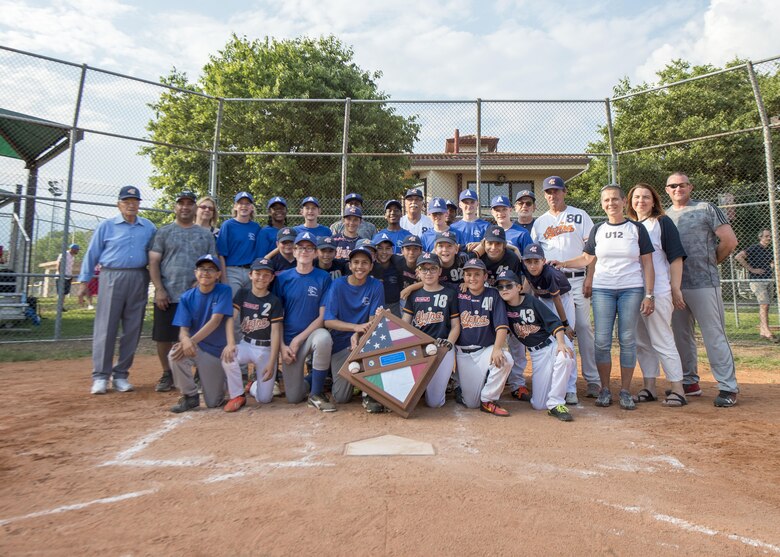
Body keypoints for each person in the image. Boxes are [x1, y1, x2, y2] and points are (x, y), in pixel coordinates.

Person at [555, 185, 655, 411]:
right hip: (603, 289)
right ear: (602, 204)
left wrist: (649, 294)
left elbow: (647, 263)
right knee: (601, 341)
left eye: (615, 199)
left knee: (627, 339)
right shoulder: (598, 229)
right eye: (607, 200)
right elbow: (586, 257)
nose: (611, 203)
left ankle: (626, 391)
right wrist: (563, 263)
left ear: (623, 202)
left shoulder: (636, 228)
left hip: (631, 288)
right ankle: (605, 389)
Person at [665, 171, 739, 407]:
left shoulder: (706, 208)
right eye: (673, 186)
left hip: (703, 283)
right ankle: (690, 382)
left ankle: (728, 387)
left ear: (690, 187)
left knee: (713, 335)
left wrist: (711, 263)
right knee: (681, 336)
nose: (678, 189)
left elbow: (729, 241)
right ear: (667, 190)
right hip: (675, 286)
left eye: (682, 185)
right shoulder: (664, 216)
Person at [78, 186, 156, 395]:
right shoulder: (107, 226)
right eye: (126, 201)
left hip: (139, 275)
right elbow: (92, 253)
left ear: (139, 204)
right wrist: (84, 281)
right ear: (118, 204)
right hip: (111, 275)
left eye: (135, 201)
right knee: (106, 327)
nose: (131, 204)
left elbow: (156, 254)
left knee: (132, 328)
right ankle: (100, 376)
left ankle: (121, 374)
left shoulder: (148, 227)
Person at [532, 176, 600, 398]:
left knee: (583, 329)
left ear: (565, 192)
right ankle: (561, 380)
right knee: (560, 331)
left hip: (578, 279)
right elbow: (536, 257)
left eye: (557, 191)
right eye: (549, 192)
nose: (553, 195)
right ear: (544, 195)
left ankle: (592, 379)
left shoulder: (580, 215)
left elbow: (592, 252)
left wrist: (590, 278)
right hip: (551, 285)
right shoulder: (540, 222)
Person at [626, 184, 688, 407]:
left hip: (658, 289)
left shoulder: (662, 222)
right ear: (630, 201)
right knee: (642, 341)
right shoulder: (630, 226)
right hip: (634, 290)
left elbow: (675, 257)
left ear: (654, 201)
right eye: (636, 197)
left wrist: (675, 288)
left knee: (661, 337)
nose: (640, 201)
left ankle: (678, 388)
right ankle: (649, 387)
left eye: (645, 197)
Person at [149, 190, 216, 393]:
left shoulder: (205, 234)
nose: (185, 206)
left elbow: (212, 262)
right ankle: (167, 373)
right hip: (168, 294)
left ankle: (198, 374)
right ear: (176, 207)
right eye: (181, 203)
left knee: (199, 336)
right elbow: (153, 261)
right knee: (164, 337)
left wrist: (202, 286)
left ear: (194, 207)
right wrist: (159, 289)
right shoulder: (164, 232)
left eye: (189, 203)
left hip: (196, 295)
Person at [496, 269, 576, 421]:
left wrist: (560, 343)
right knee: (539, 405)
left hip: (552, 344)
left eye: (508, 285)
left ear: (519, 287)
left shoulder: (531, 301)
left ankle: (557, 403)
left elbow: (554, 323)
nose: (504, 289)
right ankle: (554, 394)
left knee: (565, 357)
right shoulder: (502, 307)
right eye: (500, 287)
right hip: (537, 353)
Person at [168, 254, 239, 413]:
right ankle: (190, 395)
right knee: (175, 354)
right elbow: (183, 328)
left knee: (214, 402)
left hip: (215, 351)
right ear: (195, 272)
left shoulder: (224, 290)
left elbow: (215, 321)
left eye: (211, 269)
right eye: (202, 269)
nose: (205, 273)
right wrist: (185, 340)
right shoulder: (187, 297)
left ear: (218, 275)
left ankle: (221, 383)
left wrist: (190, 341)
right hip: (196, 347)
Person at [273, 232, 334, 411]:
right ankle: (311, 379)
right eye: (300, 247)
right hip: (289, 341)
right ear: (294, 251)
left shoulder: (323, 277)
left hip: (310, 335)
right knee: (293, 397)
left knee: (323, 338)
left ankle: (316, 393)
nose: (304, 251)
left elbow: (323, 317)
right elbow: (276, 318)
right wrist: (283, 346)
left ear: (315, 253)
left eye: (309, 248)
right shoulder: (283, 278)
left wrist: (299, 339)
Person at [324, 246, 386, 412]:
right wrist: (355, 328)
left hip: (364, 341)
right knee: (341, 397)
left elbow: (373, 321)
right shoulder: (337, 285)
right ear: (350, 265)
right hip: (341, 343)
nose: (360, 266)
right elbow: (328, 320)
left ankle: (369, 393)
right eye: (356, 262)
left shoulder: (376, 286)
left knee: (380, 336)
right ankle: (356, 379)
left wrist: (359, 335)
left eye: (365, 263)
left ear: (371, 266)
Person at [455, 258, 514, 416]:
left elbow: (502, 326)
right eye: (468, 275)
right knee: (471, 404)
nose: (472, 278)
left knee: (506, 358)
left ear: (485, 277)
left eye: (477, 274)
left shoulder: (493, 295)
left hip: (485, 351)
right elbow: (432, 285)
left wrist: (497, 349)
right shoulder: (457, 292)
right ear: (463, 277)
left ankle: (488, 399)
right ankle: (462, 388)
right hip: (463, 354)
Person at [519, 243, 577, 404]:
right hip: (543, 299)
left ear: (543, 261)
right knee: (549, 338)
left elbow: (556, 299)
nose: (532, 265)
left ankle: (571, 388)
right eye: (528, 261)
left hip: (562, 300)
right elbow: (528, 284)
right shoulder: (526, 268)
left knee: (566, 341)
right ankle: (555, 380)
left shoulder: (549, 274)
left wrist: (565, 324)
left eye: (536, 261)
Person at [223, 258, 283, 407]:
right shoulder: (243, 294)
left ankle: (254, 386)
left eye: (266, 274)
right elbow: (230, 318)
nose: (261, 278)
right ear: (250, 275)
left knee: (264, 399)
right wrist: (231, 343)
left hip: (266, 349)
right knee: (228, 357)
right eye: (257, 273)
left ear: (272, 278)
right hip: (247, 344)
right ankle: (237, 395)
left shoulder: (274, 301)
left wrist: (272, 361)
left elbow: (276, 332)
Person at [402, 253, 460, 408]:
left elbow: (455, 326)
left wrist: (448, 344)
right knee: (408, 396)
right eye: (424, 269)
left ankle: (439, 382)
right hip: (418, 348)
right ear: (418, 272)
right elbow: (405, 324)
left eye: (433, 269)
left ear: (440, 271)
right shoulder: (413, 295)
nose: (428, 273)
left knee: (434, 403)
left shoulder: (449, 294)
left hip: (442, 347)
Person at [735, 229, 776, 342]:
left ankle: (763, 330)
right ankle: (767, 331)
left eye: (770, 236)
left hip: (768, 279)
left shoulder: (770, 250)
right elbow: (738, 256)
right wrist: (751, 269)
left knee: (766, 306)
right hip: (757, 280)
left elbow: (771, 263)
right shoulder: (754, 248)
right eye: (767, 236)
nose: (769, 238)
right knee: (764, 305)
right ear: (760, 237)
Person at [217, 191, 261, 295]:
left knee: (249, 307)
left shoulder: (256, 227)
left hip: (250, 271)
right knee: (232, 307)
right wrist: (224, 278)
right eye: (241, 203)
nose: (244, 206)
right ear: (235, 206)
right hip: (232, 271)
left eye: (247, 204)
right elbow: (221, 254)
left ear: (251, 208)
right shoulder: (227, 225)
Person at [371, 232, 404, 317]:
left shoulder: (398, 264)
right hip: (373, 307)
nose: (384, 252)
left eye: (388, 248)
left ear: (392, 250)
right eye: (380, 248)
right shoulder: (369, 266)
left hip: (394, 306)